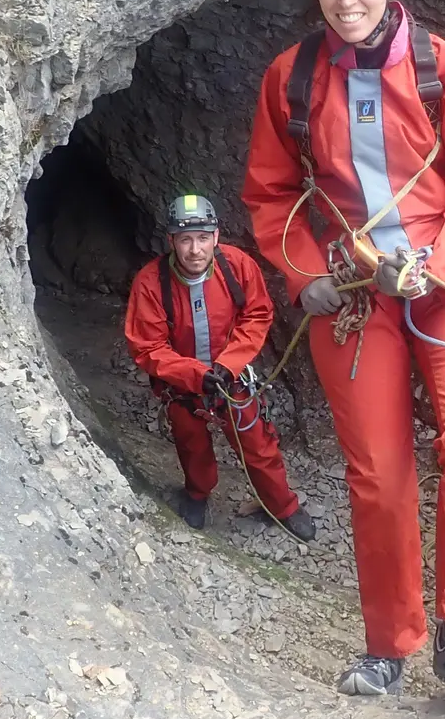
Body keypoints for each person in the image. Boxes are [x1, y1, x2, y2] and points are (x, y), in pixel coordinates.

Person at [242, 0, 445, 719]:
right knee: (379, 469)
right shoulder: (292, 79)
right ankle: (390, 641)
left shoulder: (439, 69)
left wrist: (440, 266)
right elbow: (270, 193)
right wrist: (304, 273)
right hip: (351, 289)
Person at [124, 194, 317, 541]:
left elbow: (257, 314)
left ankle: (282, 506)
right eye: (185, 239)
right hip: (183, 386)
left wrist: (229, 364)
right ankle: (197, 493)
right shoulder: (151, 283)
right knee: (191, 444)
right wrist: (195, 376)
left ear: (215, 236)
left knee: (258, 444)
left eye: (202, 238)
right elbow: (147, 346)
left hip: (233, 378)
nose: (195, 250)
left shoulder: (237, 266)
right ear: (171, 241)